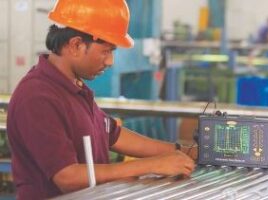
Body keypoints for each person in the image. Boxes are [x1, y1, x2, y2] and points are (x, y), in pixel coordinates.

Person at [6, 0, 197, 199]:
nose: (110, 61)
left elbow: (113, 135)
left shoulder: (74, 88)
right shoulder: (37, 96)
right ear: (76, 45)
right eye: (106, 51)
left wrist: (183, 151)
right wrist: (150, 165)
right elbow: (67, 177)